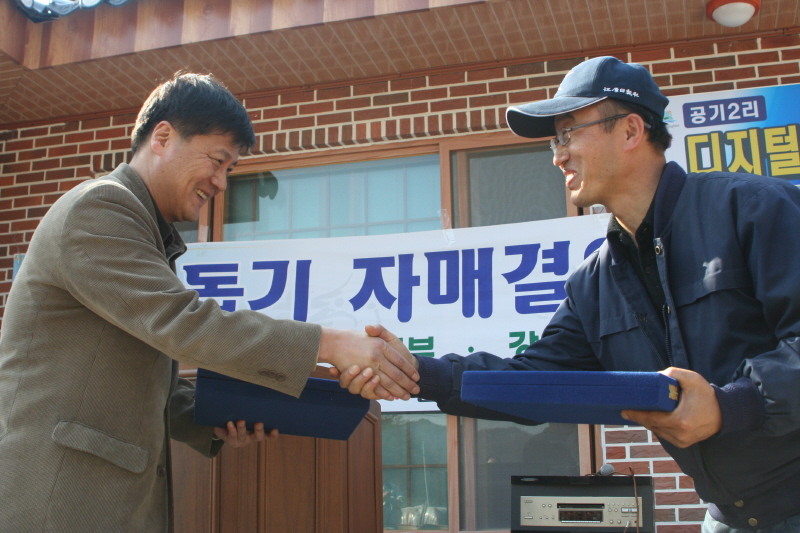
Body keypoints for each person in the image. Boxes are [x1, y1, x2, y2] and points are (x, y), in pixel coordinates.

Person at [338, 57, 800, 532]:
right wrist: (420, 374)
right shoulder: (593, 283)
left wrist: (732, 405)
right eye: (554, 141)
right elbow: (535, 381)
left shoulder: (755, 209)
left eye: (567, 134)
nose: (557, 156)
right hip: (732, 515)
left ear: (630, 130)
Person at [0, 72, 419, 532]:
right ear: (163, 137)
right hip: (56, 499)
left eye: (229, 169)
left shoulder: (147, 232)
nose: (220, 182)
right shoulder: (100, 208)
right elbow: (185, 323)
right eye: (217, 161)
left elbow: (134, 381)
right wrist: (331, 344)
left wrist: (212, 418)